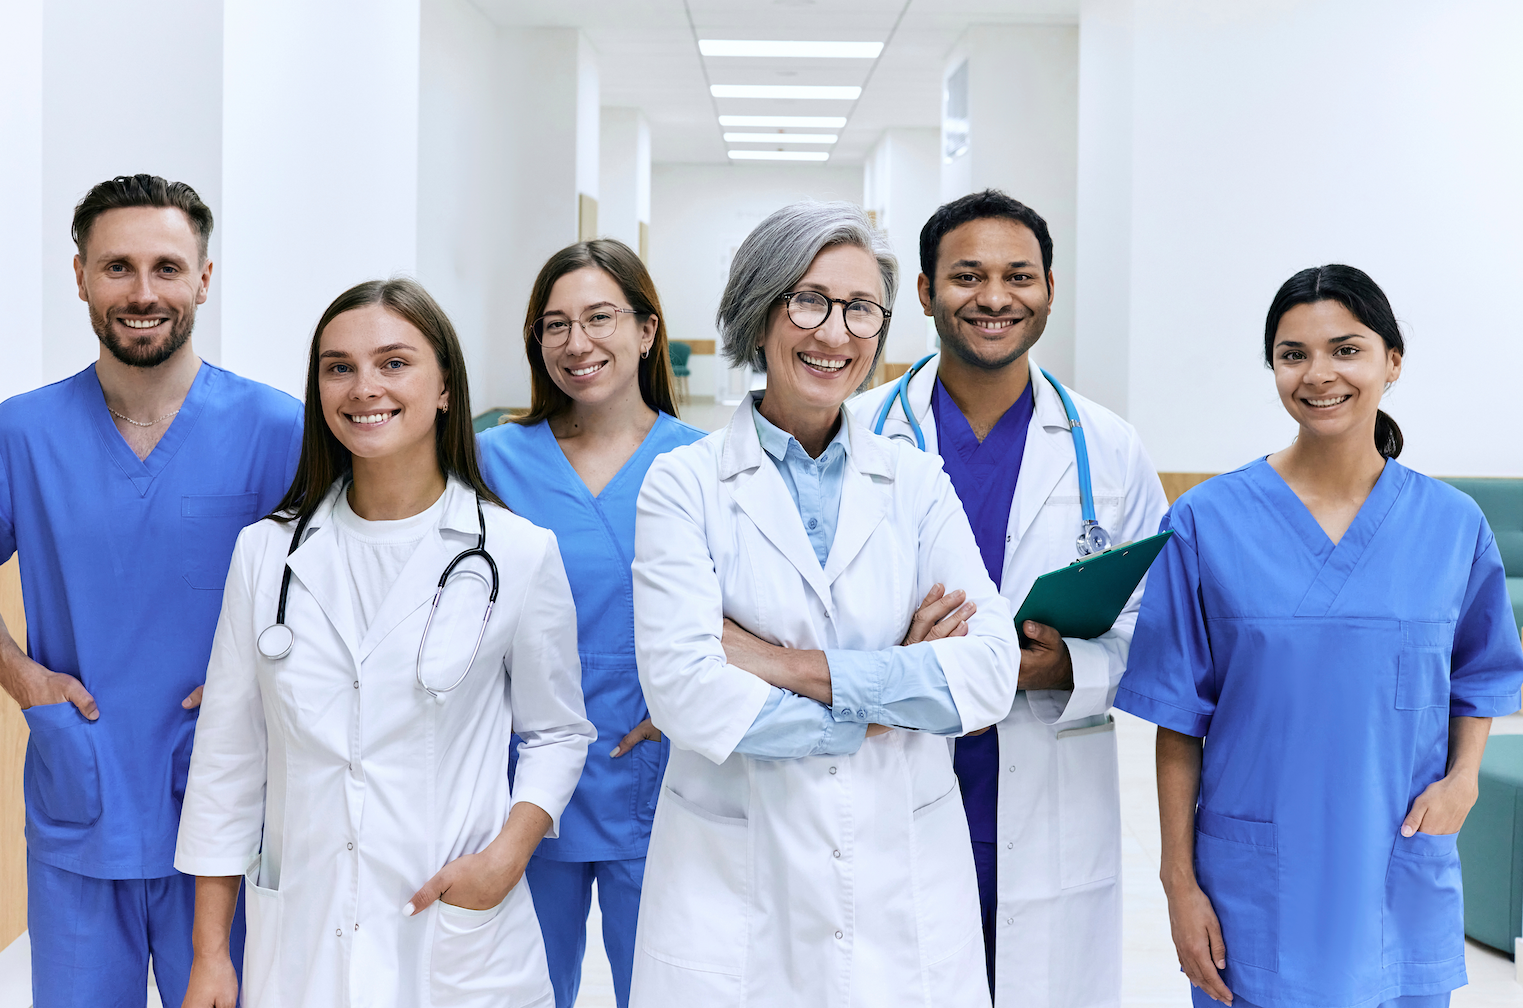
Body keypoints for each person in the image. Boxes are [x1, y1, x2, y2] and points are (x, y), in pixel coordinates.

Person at [628, 201, 1021, 1008]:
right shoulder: (685, 485)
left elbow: (988, 675)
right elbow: (688, 695)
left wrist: (781, 666)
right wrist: (894, 695)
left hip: (901, 877)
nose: (835, 333)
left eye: (860, 309)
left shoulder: (912, 480)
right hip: (734, 881)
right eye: (806, 300)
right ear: (759, 312)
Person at [0, 174, 299, 1007]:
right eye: (117, 267)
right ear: (81, 277)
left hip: (229, 806)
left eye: (167, 268)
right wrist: (26, 680)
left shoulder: (279, 430)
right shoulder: (21, 434)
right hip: (82, 797)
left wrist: (272, 683)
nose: (142, 292)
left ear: (204, 279)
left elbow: (336, 595)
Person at [175, 278, 593, 1008]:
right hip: (303, 933)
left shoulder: (517, 554)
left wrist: (504, 859)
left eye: (393, 363)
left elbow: (557, 732)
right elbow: (227, 759)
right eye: (338, 367)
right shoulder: (265, 554)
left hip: (452, 930)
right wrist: (211, 952)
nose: (363, 387)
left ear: (443, 388)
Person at [1115, 265, 1523, 1008]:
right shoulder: (1207, 520)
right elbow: (1178, 721)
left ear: (1391, 362)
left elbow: (1482, 674)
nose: (1318, 374)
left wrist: (1464, 781)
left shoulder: (1451, 523)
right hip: (1256, 886)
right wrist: (1180, 884)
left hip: (1398, 872)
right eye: (1292, 353)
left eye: (1346, 349)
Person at [848, 188, 1167, 1007]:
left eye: (1019, 275)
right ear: (923, 292)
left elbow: (1156, 629)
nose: (995, 297)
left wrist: (1068, 667)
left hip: (1048, 781)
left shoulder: (1109, 448)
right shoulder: (853, 436)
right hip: (896, 769)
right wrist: (912, 662)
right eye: (967, 275)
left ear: (1050, 289)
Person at [478, 239, 705, 1008]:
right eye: (555, 324)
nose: (577, 343)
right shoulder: (490, 462)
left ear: (647, 331)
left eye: (600, 318)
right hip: (524, 773)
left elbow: (752, 617)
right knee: (528, 987)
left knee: (665, 985)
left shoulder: (704, 465)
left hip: (665, 768)